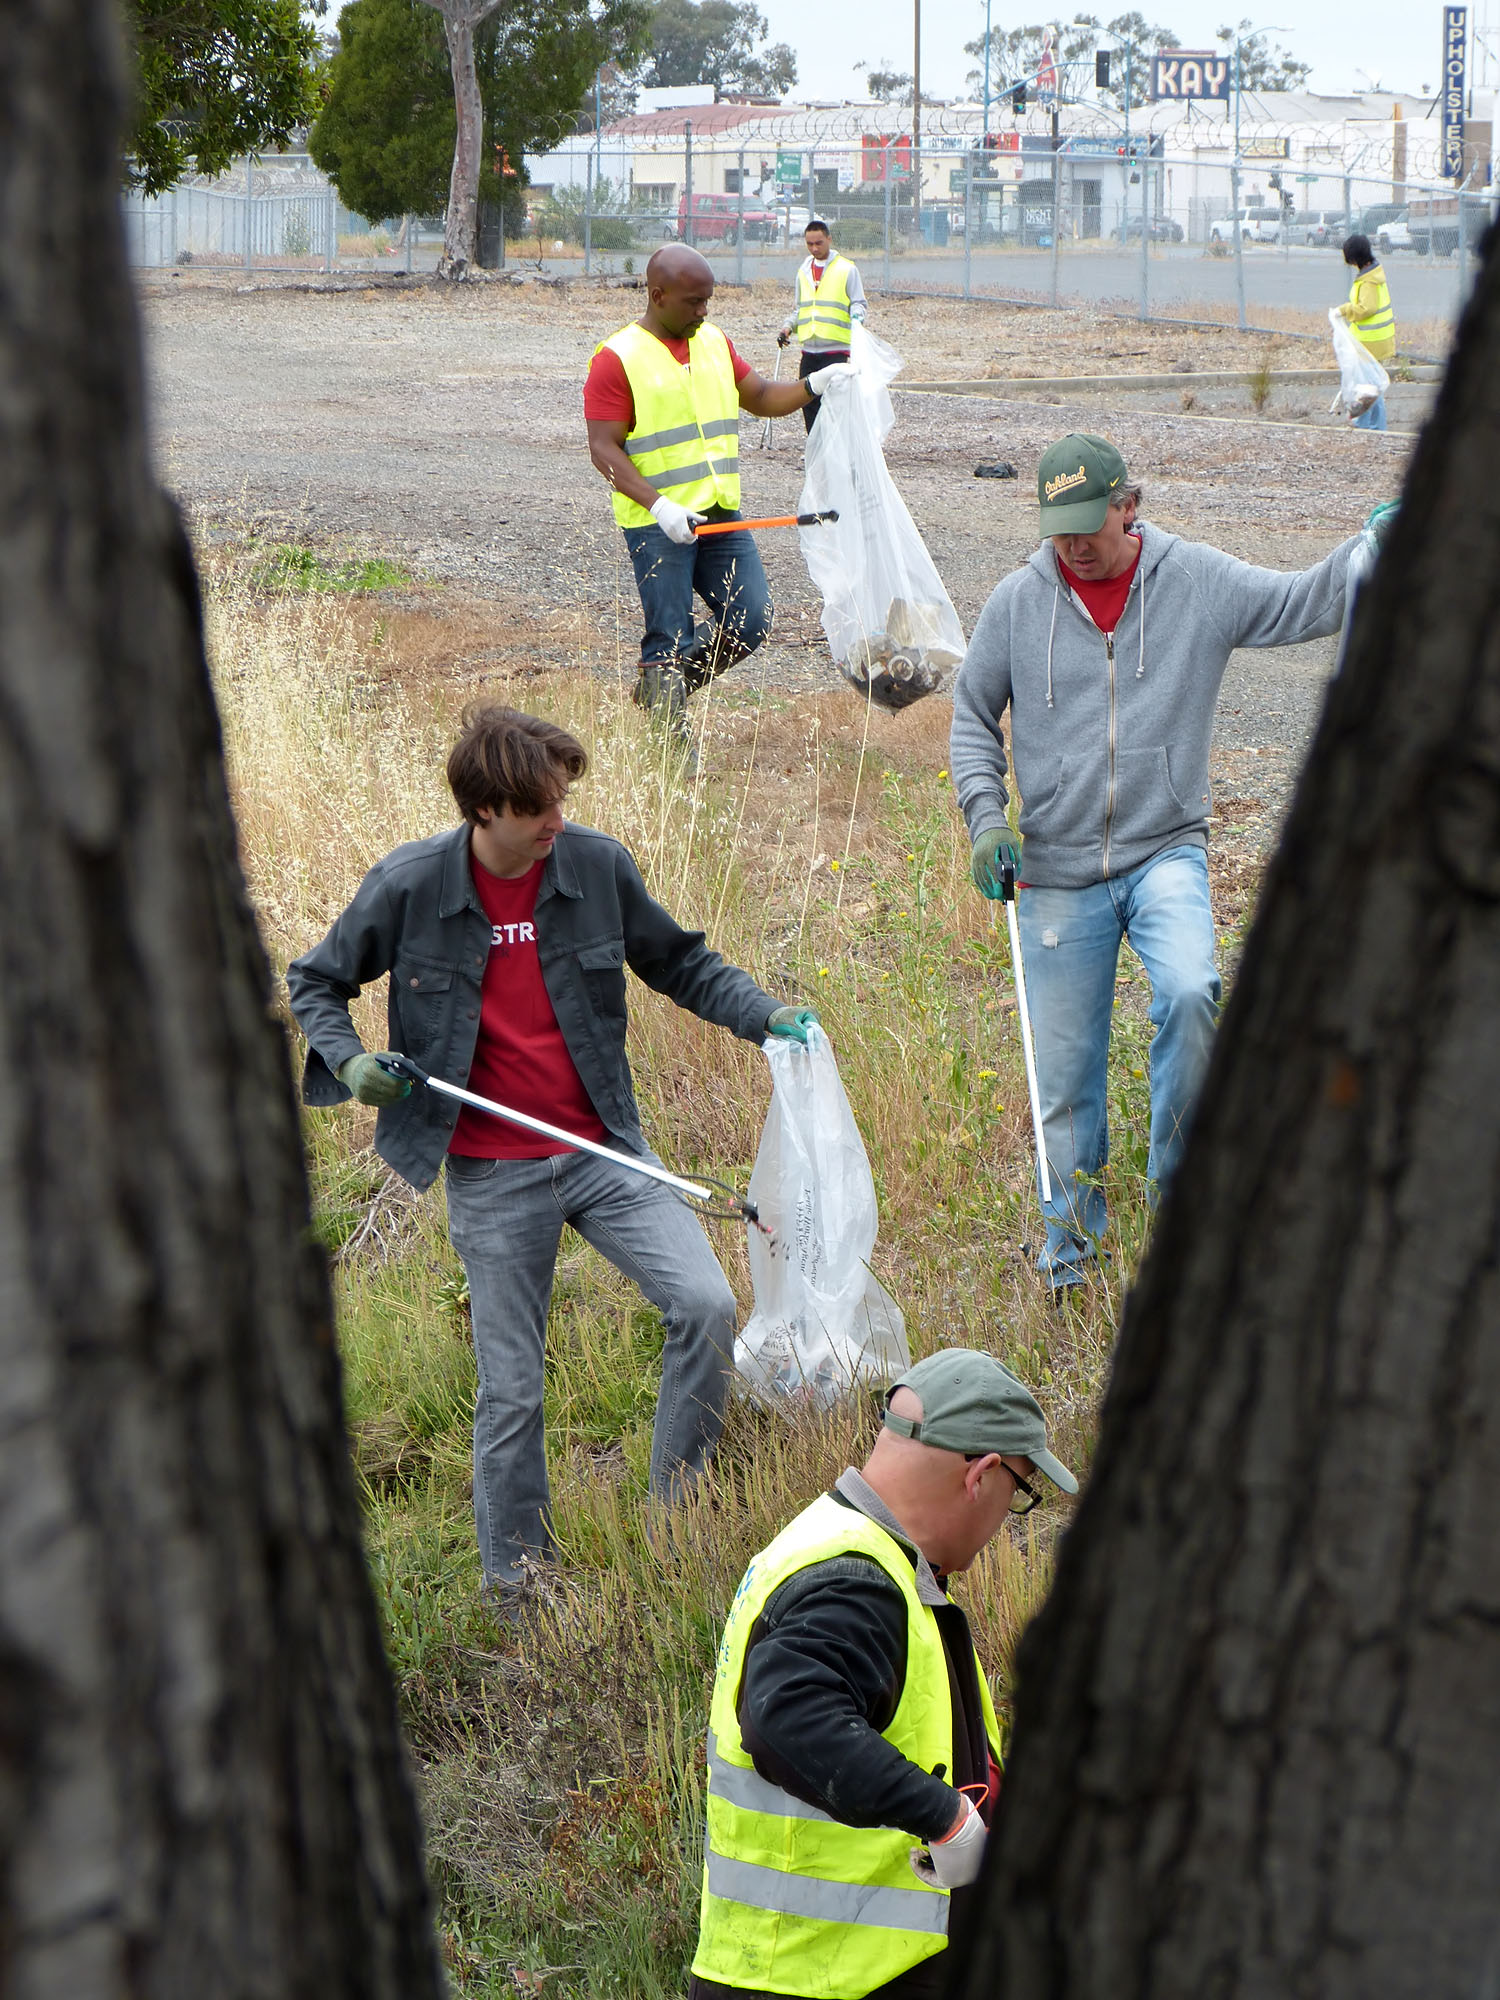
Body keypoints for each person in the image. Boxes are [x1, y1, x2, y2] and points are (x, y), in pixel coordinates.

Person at [286, 705, 819, 1616]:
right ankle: (519, 1588)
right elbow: (316, 980)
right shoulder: (411, 885)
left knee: (705, 1306)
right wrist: (349, 1062)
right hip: (492, 1169)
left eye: (563, 801)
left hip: (603, 1147)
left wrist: (763, 1015)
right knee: (513, 1390)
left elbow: (682, 964)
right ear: (485, 810)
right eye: (539, 808)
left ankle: (676, 1524)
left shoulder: (595, 867)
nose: (557, 822)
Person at [950, 433, 1362, 1298]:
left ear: (1128, 505)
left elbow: (1303, 602)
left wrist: (1372, 548)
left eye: (1087, 524)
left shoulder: (1195, 581)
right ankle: (1071, 1258)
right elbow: (971, 715)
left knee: (1188, 989)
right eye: (1057, 528)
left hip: (1165, 847)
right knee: (1066, 1081)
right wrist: (986, 821)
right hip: (1056, 871)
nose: (1072, 544)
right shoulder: (1018, 603)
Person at [689, 1348, 1077, 2000]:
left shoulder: (855, 1555)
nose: (1007, 1514)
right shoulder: (855, 1580)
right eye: (1020, 1492)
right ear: (981, 1474)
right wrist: (944, 1817)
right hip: (817, 1978)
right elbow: (788, 1718)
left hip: (829, 1968)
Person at [585, 245, 848, 729]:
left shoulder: (713, 342)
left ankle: (661, 689)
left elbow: (762, 396)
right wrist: (659, 506)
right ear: (658, 296)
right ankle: (671, 745)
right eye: (694, 302)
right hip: (657, 524)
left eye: (708, 300)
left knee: (751, 619)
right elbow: (603, 448)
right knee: (669, 635)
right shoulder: (616, 358)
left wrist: (815, 384)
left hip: (719, 514)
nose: (703, 311)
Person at [777, 217, 868, 434]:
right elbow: (801, 309)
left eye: (819, 243)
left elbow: (859, 303)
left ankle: (835, 445)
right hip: (809, 352)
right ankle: (815, 445)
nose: (814, 248)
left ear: (829, 239)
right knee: (808, 402)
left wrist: (857, 318)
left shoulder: (846, 269)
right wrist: (788, 327)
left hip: (835, 352)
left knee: (834, 404)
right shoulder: (803, 271)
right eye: (810, 244)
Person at [1336, 233, 1396, 432]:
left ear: (1355, 258)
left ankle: (1365, 427)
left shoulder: (1368, 281)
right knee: (1373, 387)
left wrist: (1344, 310)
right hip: (1377, 339)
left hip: (1370, 341)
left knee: (1365, 389)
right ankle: (1377, 428)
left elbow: (1366, 308)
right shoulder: (1374, 273)